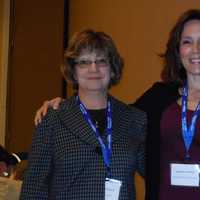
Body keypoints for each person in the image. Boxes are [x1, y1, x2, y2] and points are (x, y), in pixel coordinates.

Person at [34, 9, 200, 200]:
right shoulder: (158, 98)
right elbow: (116, 115)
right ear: (178, 50)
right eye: (187, 41)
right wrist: (66, 107)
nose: (196, 49)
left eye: (101, 61)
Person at [20, 29, 146, 200]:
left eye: (101, 61)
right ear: (73, 70)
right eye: (84, 62)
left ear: (113, 69)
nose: (93, 68)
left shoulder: (135, 119)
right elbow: (33, 190)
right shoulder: (52, 119)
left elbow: (157, 176)